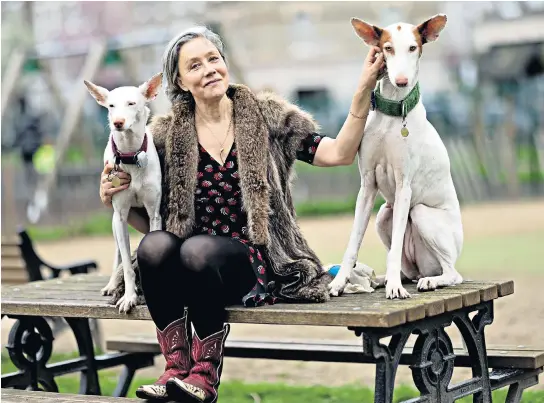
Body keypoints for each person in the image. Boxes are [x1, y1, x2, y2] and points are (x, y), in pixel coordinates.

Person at [99, 26, 383, 403]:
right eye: (195, 65)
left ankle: (204, 376)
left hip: (251, 258)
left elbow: (338, 154)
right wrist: (112, 198)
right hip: (185, 264)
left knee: (197, 250)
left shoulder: (266, 114)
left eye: (213, 59)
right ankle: (175, 368)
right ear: (180, 81)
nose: (209, 69)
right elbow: (148, 214)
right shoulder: (164, 135)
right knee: (153, 246)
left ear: (225, 64)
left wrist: (363, 90)